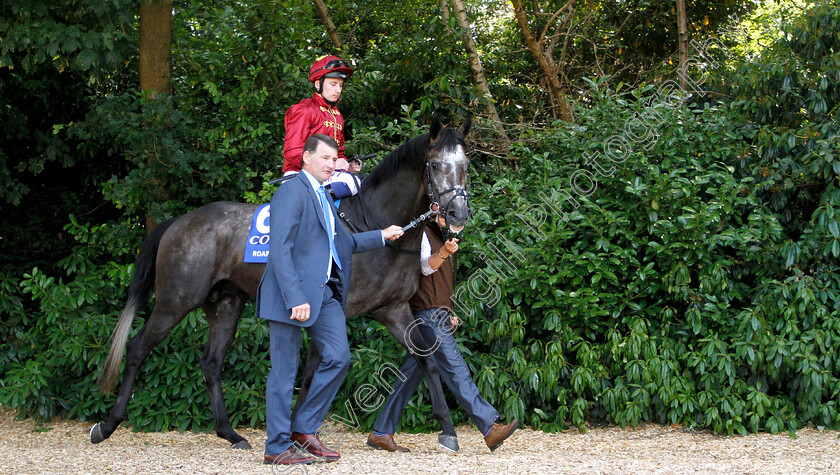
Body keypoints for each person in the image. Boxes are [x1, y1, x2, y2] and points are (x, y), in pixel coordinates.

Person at [258, 133, 404, 465]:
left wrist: (382, 235)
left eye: (334, 158)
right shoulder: (290, 192)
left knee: (338, 357)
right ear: (306, 158)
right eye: (324, 158)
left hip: (322, 293)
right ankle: (277, 446)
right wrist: (294, 296)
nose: (331, 164)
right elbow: (278, 249)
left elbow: (343, 244)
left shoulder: (323, 195)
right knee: (284, 371)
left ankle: (304, 430)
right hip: (289, 295)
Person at [366, 217, 518, 453]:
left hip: (434, 313)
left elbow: (441, 282)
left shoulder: (437, 232)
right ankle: (489, 428)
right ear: (433, 208)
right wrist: (445, 252)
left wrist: (449, 310)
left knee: (409, 375)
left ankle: (380, 432)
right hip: (426, 315)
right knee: (456, 369)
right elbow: (426, 267)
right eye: (447, 211)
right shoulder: (422, 232)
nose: (453, 217)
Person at [282, 55, 361, 199]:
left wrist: (347, 165)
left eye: (340, 85)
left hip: (325, 174)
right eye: (333, 84)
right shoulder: (303, 110)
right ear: (318, 84)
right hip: (298, 173)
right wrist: (330, 164)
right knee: (351, 182)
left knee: (356, 181)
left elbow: (339, 153)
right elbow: (292, 153)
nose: (338, 90)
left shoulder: (337, 115)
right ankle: (311, 207)